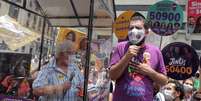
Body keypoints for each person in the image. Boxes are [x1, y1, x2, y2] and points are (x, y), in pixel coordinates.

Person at [108, 12, 168, 101]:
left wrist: (150, 72)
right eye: (131, 28)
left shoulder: (155, 51)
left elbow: (164, 81)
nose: (134, 31)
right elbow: (112, 76)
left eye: (138, 28)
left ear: (147, 32)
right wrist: (127, 57)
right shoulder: (121, 47)